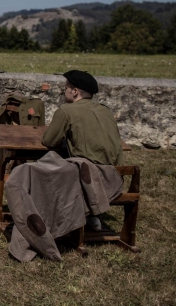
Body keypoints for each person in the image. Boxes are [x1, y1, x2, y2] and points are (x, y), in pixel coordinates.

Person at [41, 69, 124, 231]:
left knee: (47, 169)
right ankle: (93, 217)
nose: (64, 91)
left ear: (75, 91)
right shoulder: (106, 111)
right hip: (116, 177)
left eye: (65, 88)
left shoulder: (67, 110)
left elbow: (49, 140)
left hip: (91, 177)